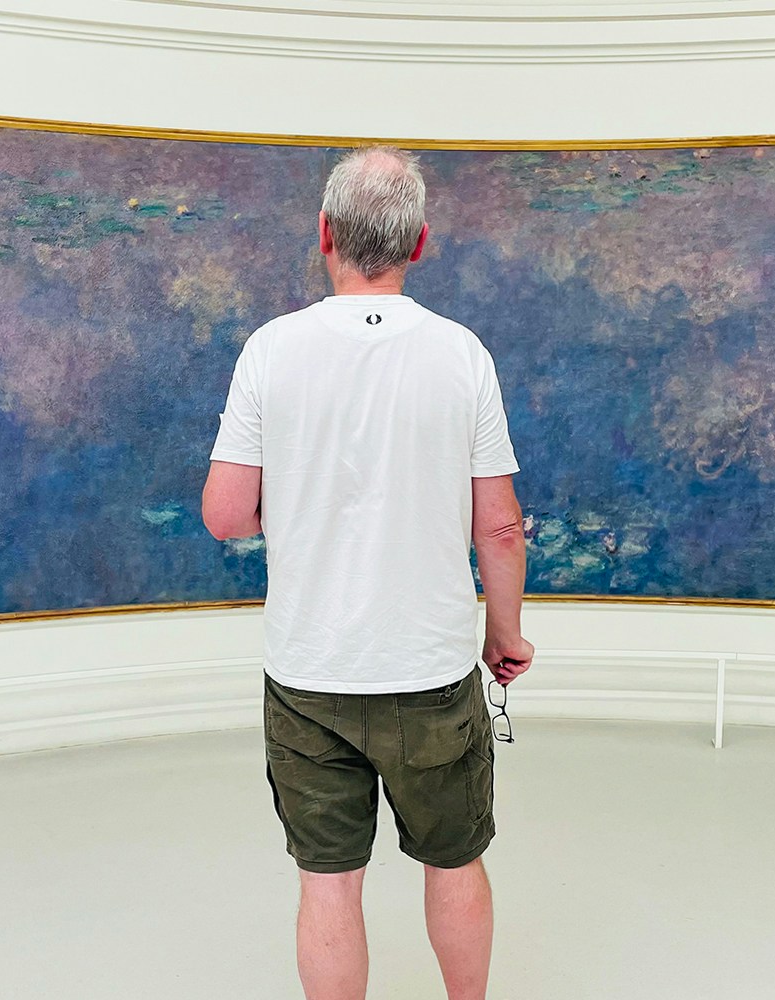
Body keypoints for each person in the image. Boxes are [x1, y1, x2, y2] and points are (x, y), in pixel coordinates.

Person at [201, 145, 533, 1000]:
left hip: (308, 673)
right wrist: (504, 636)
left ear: (324, 234)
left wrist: (306, 504)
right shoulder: (463, 354)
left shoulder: (270, 351)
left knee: (328, 884)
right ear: (419, 243)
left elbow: (226, 515)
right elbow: (497, 522)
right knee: (454, 863)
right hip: (429, 672)